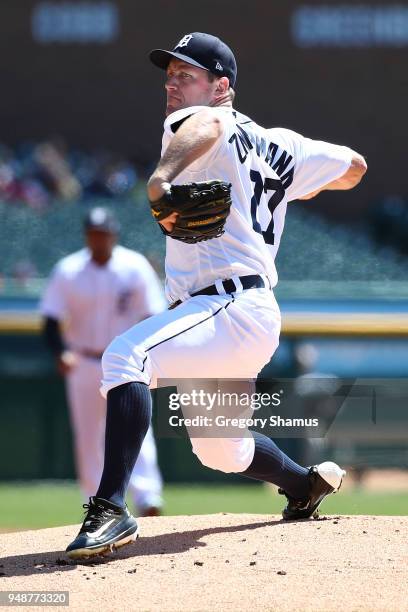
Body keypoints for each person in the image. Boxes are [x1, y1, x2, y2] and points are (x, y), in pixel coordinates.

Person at [66, 32, 367, 559]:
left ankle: (109, 508)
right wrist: (298, 180)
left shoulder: (204, 118)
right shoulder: (281, 144)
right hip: (239, 316)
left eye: (186, 76)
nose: (173, 86)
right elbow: (356, 166)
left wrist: (161, 177)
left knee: (125, 357)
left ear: (221, 85)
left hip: (225, 306)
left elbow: (211, 122)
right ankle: (303, 485)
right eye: (169, 77)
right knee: (219, 449)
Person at [41, 207, 164, 516]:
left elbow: (153, 314)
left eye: (104, 233)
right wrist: (59, 352)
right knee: (88, 436)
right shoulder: (68, 270)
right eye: (94, 233)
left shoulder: (134, 266)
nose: (99, 239)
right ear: (87, 236)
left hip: (126, 361)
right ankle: (97, 504)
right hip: (83, 359)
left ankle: (148, 499)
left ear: (113, 235)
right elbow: (51, 318)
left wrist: (151, 356)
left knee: (137, 427)